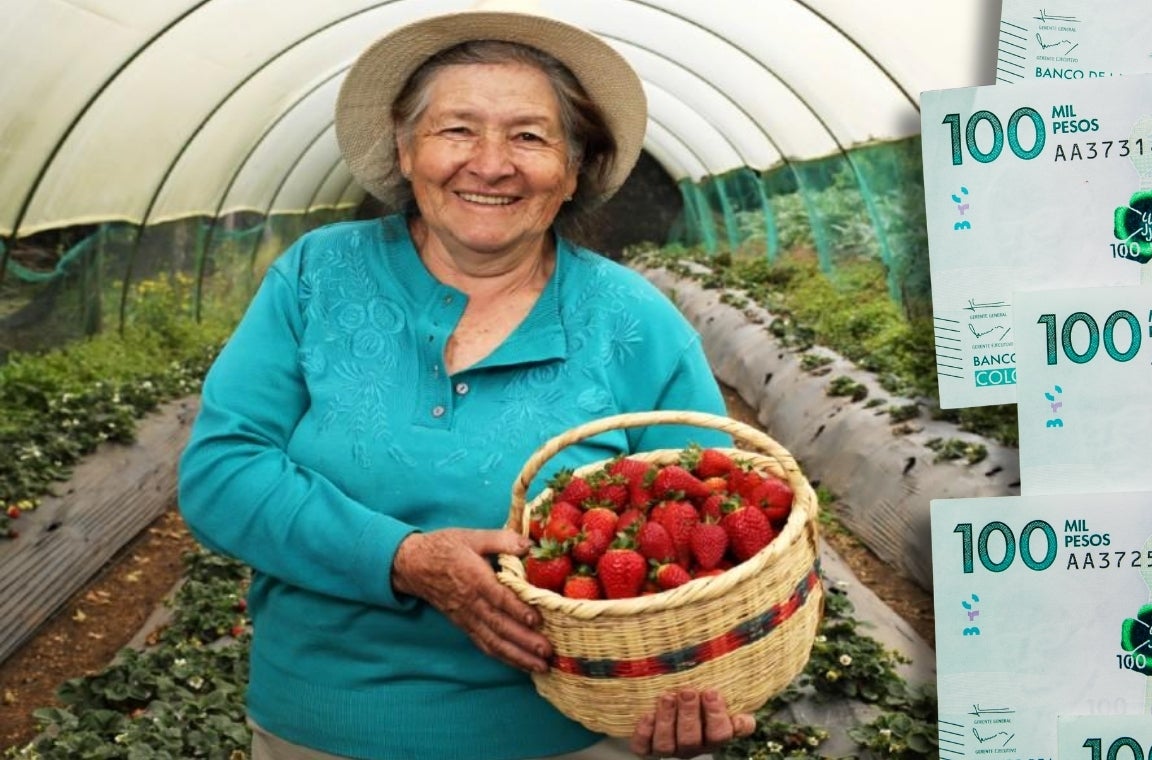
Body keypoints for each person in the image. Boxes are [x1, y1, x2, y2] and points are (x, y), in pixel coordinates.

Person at [178, 7, 756, 759]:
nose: (490, 163)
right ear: (405, 148)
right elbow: (222, 473)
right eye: (456, 130)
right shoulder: (319, 277)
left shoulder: (633, 321)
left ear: (572, 169)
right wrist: (404, 559)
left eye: (529, 135)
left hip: (573, 735)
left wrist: (701, 690)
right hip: (327, 727)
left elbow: (718, 545)